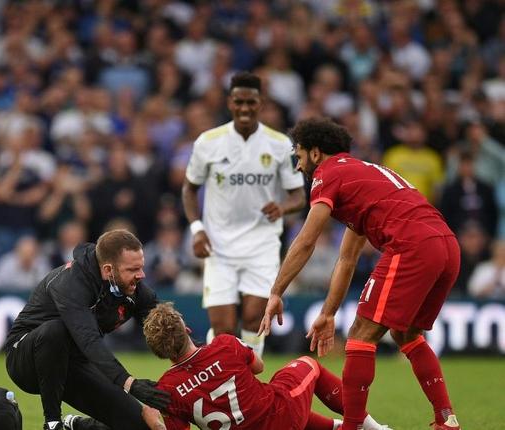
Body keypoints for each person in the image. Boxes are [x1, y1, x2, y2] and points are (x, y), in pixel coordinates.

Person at [259, 117, 461, 430]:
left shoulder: (327, 174)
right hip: (447, 246)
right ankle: (446, 420)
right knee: (406, 333)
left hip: (413, 245)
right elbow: (347, 259)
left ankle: (351, 427)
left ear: (315, 153)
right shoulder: (362, 174)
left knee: (360, 337)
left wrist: (276, 291)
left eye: (297, 156)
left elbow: (306, 240)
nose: (297, 167)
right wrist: (328, 313)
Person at [182, 71, 305, 356]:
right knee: (223, 326)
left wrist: (283, 207)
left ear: (260, 103)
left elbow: (298, 195)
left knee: (253, 317)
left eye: (251, 102)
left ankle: (249, 385)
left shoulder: (279, 144)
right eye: (239, 101)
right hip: (219, 244)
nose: (245, 108)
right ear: (230, 102)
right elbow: (189, 189)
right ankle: (221, 384)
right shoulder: (208, 142)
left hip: (261, 243)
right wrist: (197, 229)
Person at [4, 229, 170, 430]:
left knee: (139, 426)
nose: (141, 275)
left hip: (74, 363)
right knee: (55, 331)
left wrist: (196, 359)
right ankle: (52, 422)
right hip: (26, 359)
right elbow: (89, 340)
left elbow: (167, 325)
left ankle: (77, 426)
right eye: (133, 269)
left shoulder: (134, 288)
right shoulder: (71, 283)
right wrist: (130, 384)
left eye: (141, 268)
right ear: (108, 270)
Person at [140, 302, 389, 430]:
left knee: (265, 404)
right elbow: (258, 366)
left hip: (257, 421)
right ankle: (370, 426)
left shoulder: (167, 389)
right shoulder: (223, 344)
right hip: (279, 418)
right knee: (307, 364)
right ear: (187, 329)